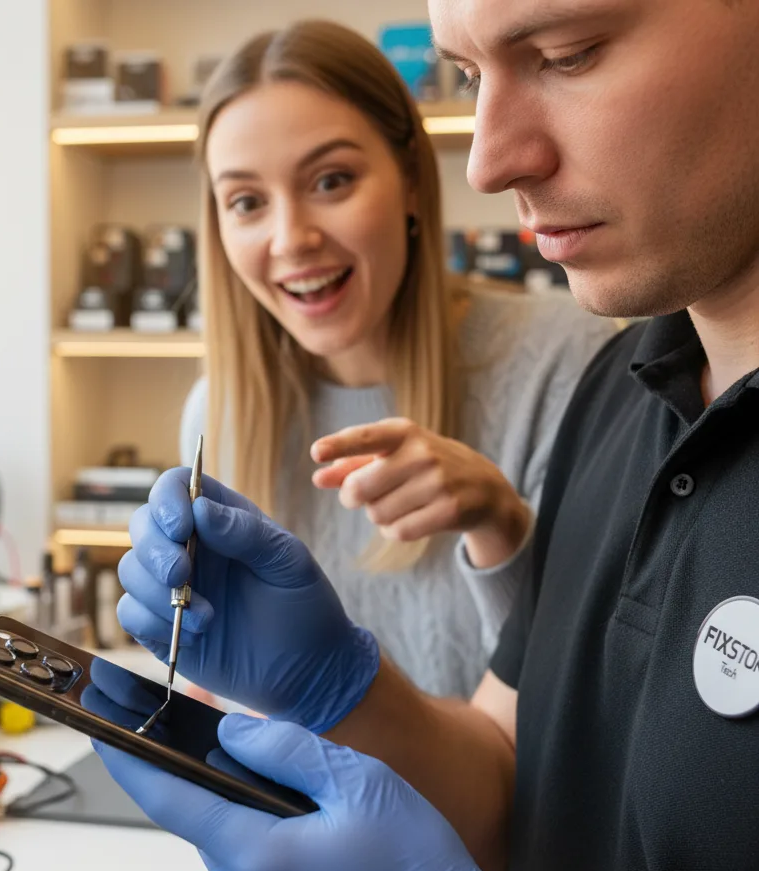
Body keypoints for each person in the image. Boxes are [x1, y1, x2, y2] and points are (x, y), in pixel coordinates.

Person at [102, 0, 759, 871]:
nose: (489, 160)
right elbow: (512, 779)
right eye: (465, 78)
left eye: (566, 54)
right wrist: (344, 691)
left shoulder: (559, 361)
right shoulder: (624, 391)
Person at [175, 19, 615, 698]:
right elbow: (218, 696)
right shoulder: (216, 411)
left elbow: (590, 701)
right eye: (246, 202)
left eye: (331, 181)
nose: (291, 239)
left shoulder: (573, 365)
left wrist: (501, 527)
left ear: (411, 178)